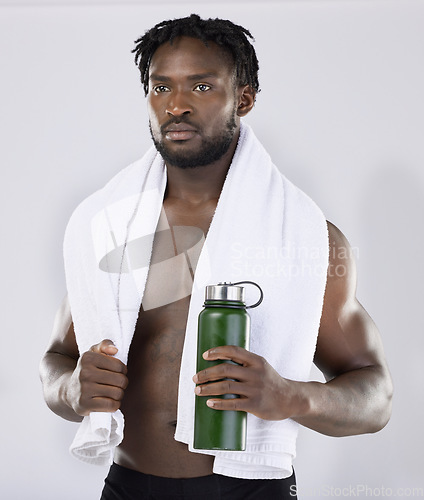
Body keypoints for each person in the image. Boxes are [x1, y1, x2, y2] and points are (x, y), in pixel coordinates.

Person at [39, 14, 393, 500]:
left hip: (251, 490)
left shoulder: (307, 237)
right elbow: (58, 361)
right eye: (160, 88)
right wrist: (69, 390)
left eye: (201, 87)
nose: (177, 105)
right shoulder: (107, 225)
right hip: (128, 485)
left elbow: (376, 398)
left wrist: (293, 396)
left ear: (243, 99)